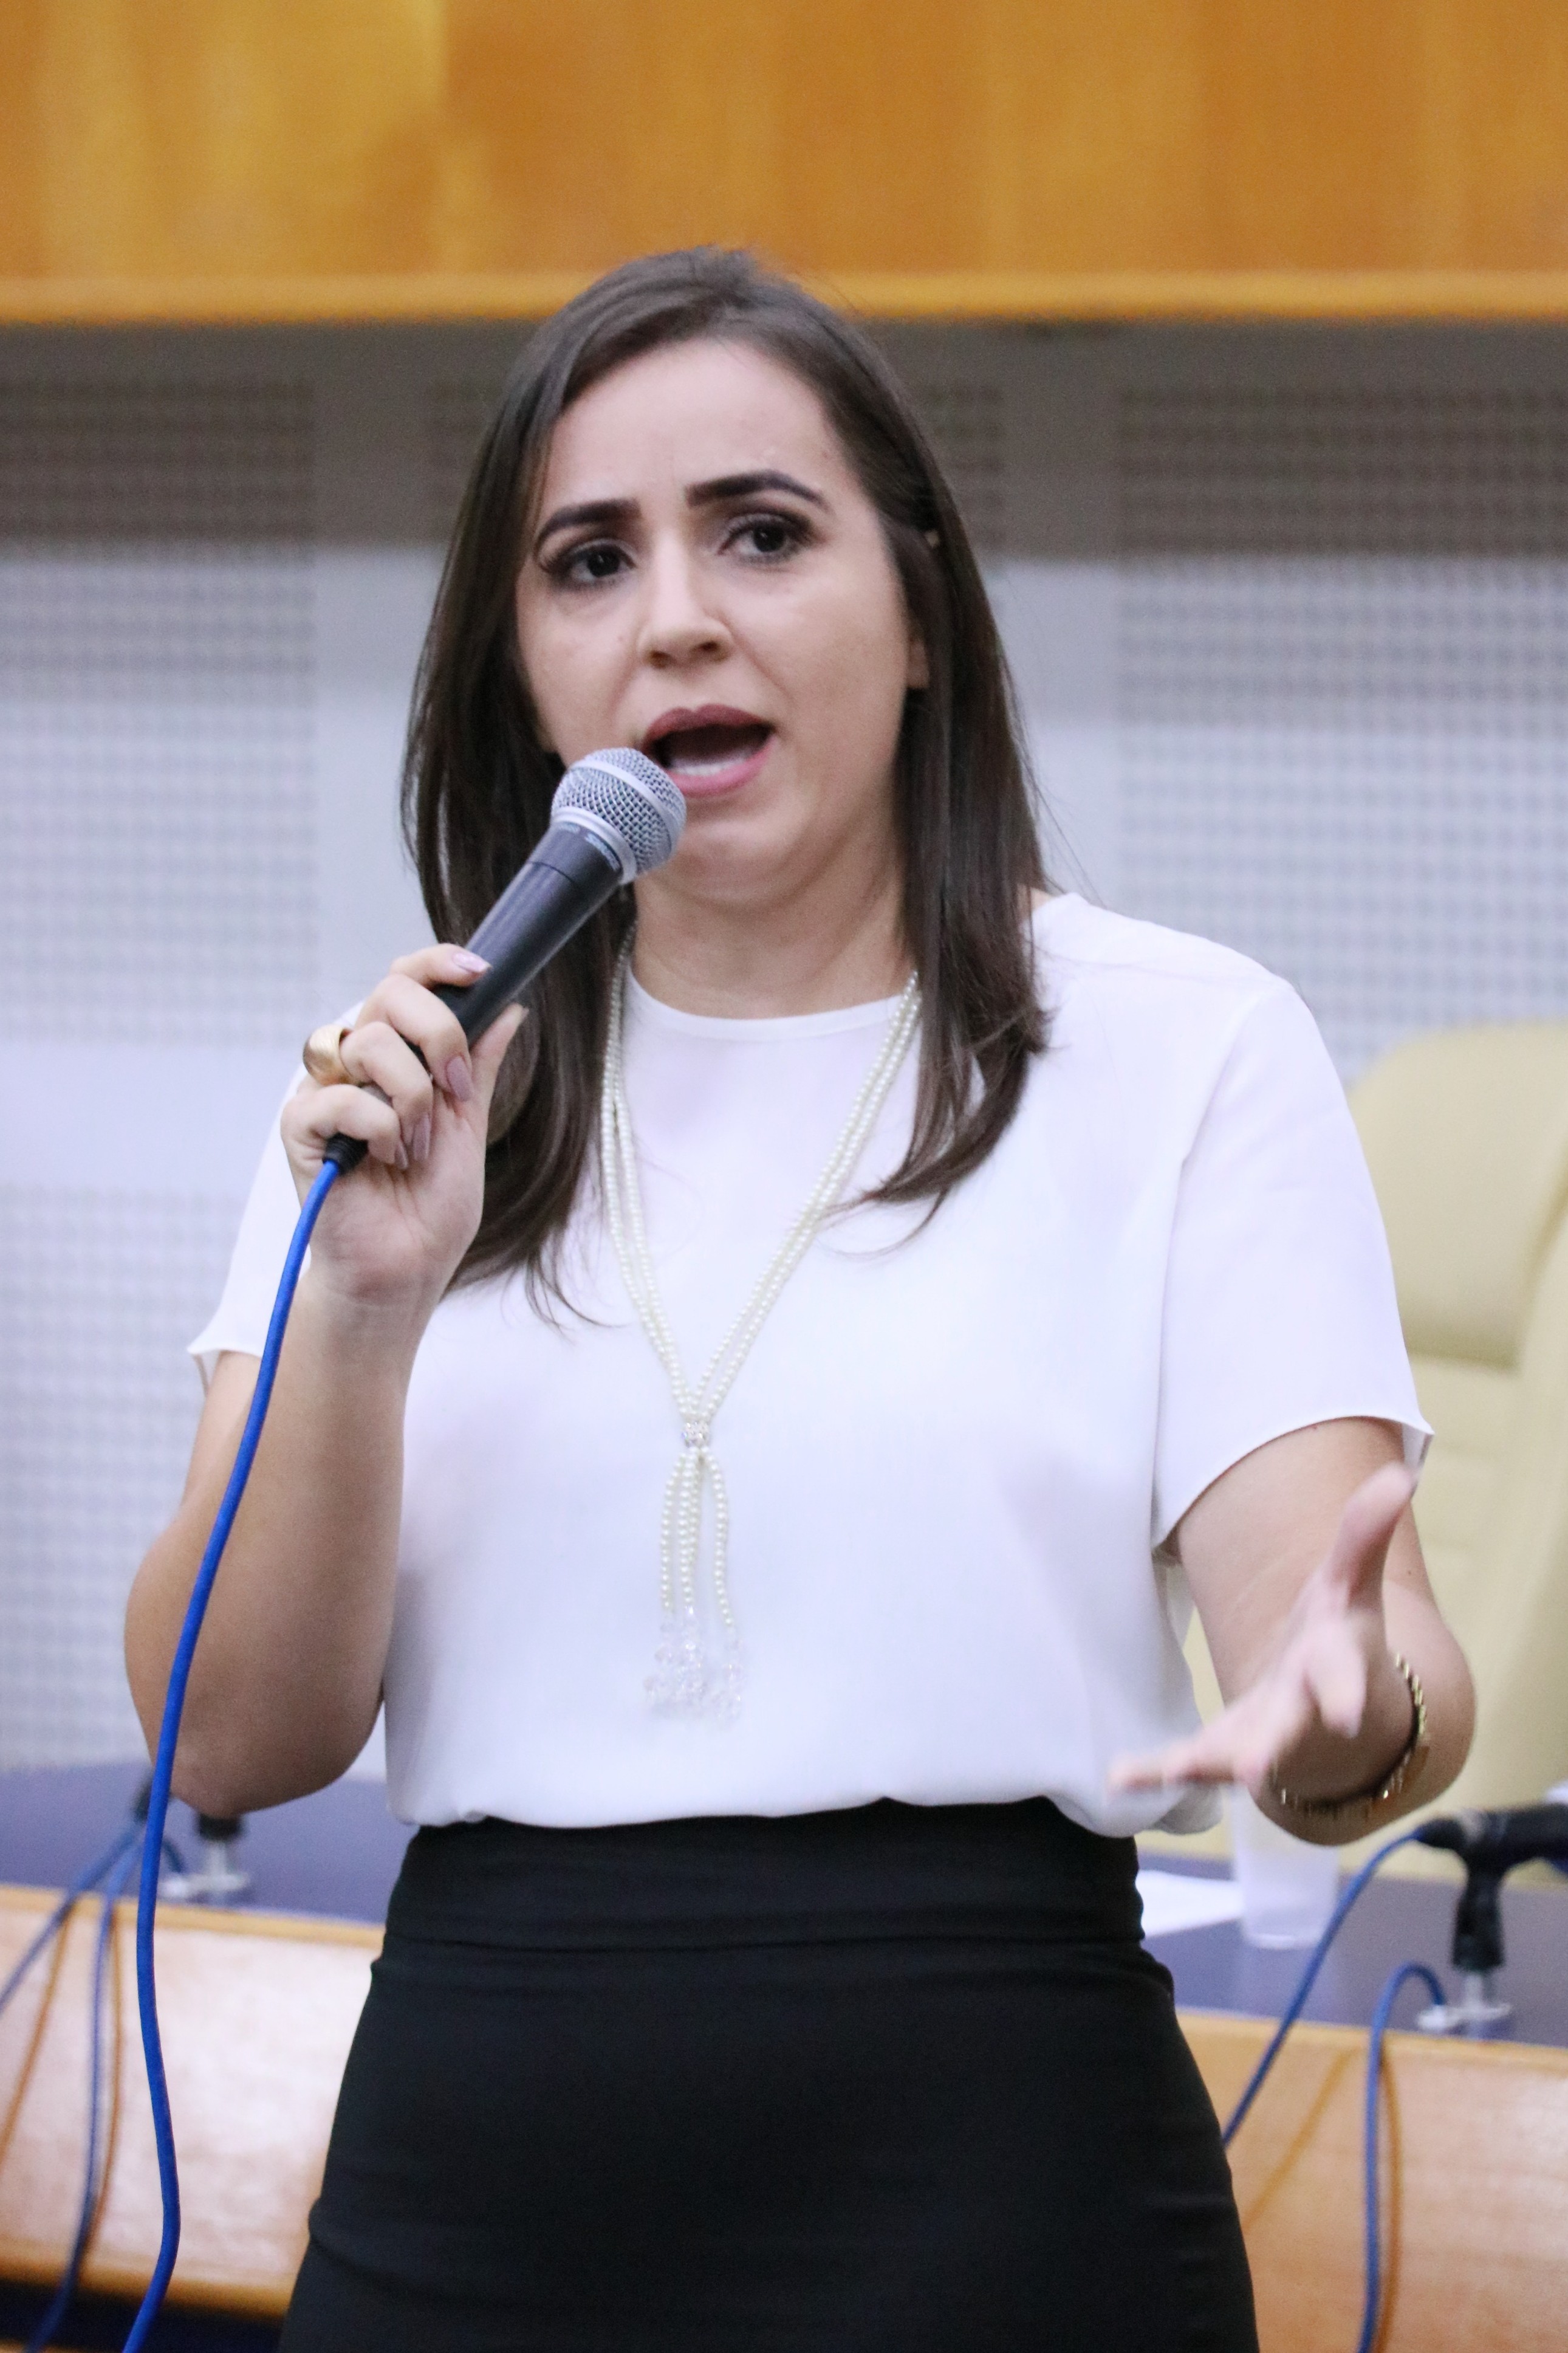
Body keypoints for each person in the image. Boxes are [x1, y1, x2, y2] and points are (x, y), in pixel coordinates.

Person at [126, 248, 1474, 2352]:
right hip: (476, 2179)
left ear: (922, 618)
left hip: (1004, 2180)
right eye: (590, 562)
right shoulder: (410, 1089)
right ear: (521, 672)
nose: (675, 615)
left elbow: (1372, 1693)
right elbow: (225, 1734)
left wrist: (1351, 1706)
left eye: (761, 533)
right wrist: (365, 1307)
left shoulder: (1178, 1046)